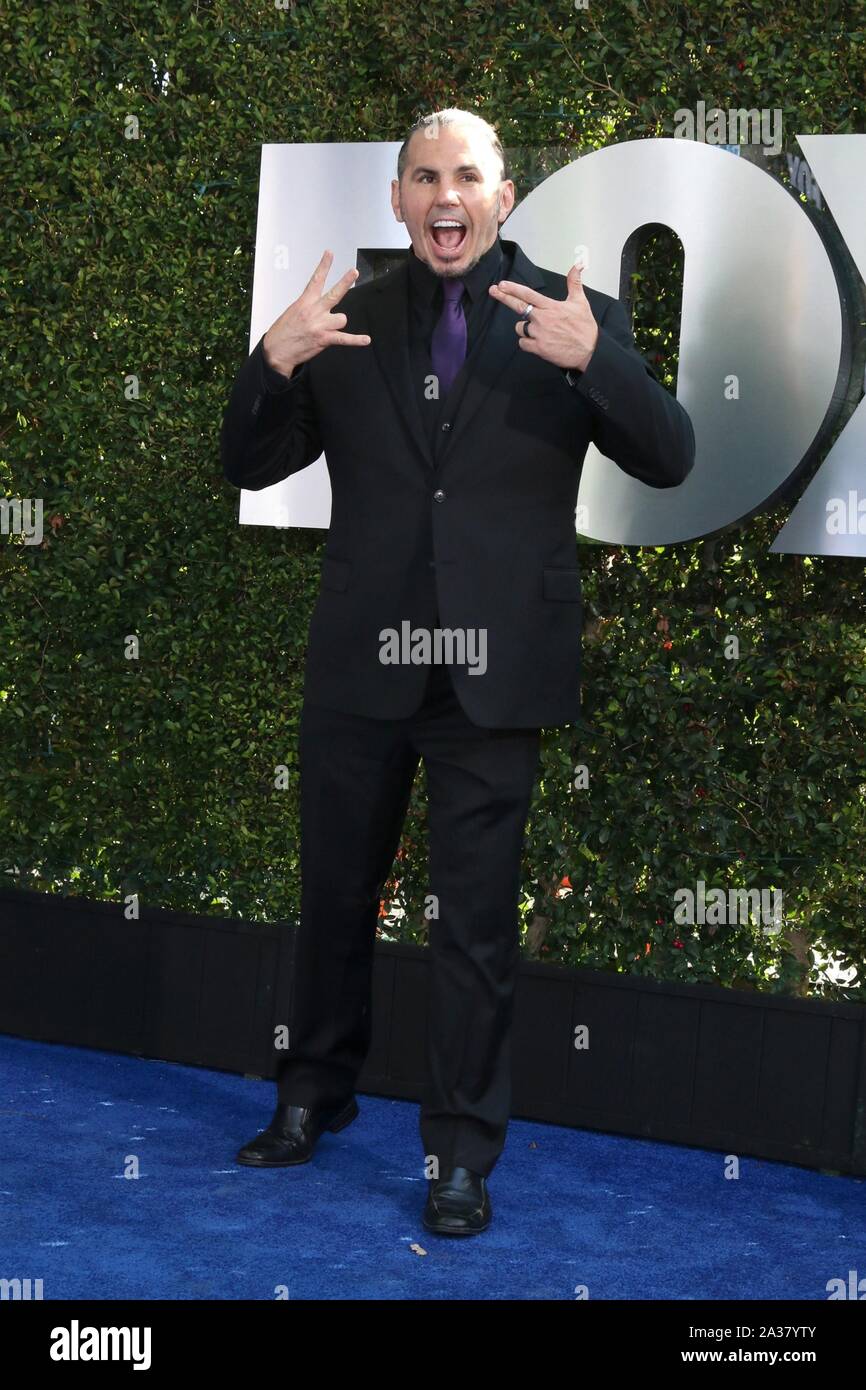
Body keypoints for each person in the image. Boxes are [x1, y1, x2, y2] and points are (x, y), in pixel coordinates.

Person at [221, 108, 695, 1236]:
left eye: (466, 176)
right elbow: (247, 461)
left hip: (494, 673)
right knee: (332, 895)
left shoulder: (574, 317)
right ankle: (310, 1094)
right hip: (362, 659)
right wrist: (269, 361)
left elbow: (670, 457)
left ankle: (460, 1154)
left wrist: (601, 367)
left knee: (473, 925)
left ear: (502, 192)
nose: (445, 196)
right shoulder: (344, 321)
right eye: (424, 177)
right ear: (397, 199)